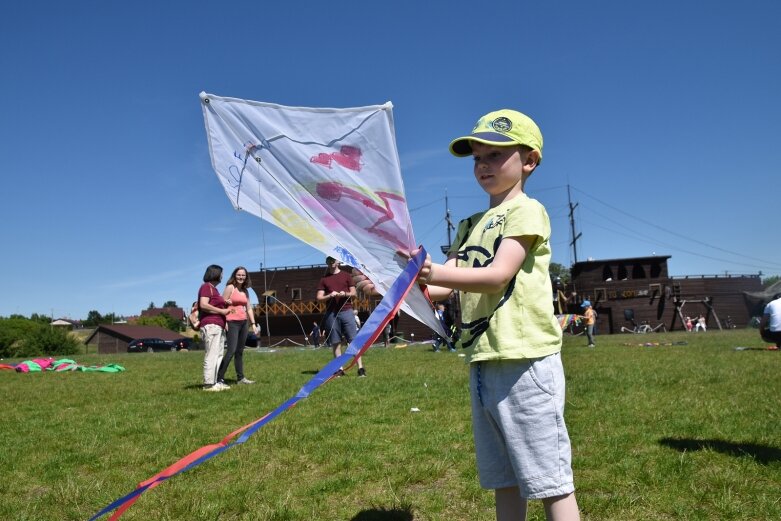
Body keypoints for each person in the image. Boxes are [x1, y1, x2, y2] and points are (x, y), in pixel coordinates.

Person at [355, 109, 579, 520]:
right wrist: (394, 285)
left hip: (526, 359)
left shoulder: (526, 211)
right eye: (477, 156)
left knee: (549, 478)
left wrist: (432, 270)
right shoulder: (469, 224)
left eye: (495, 155)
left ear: (529, 161)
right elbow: (442, 287)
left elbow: (497, 275)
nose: (483, 165)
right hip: (484, 359)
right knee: (503, 476)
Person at [317, 256, 366, 377]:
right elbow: (319, 298)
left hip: (346, 311)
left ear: (338, 261)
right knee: (335, 342)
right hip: (331, 314)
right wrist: (329, 296)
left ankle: (360, 368)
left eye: (333, 260)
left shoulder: (346, 276)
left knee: (353, 341)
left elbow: (354, 294)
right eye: (328, 261)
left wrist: (345, 294)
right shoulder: (324, 279)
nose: (331, 263)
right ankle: (339, 369)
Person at [216, 267, 258, 386]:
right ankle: (219, 378)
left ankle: (241, 378)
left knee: (240, 351)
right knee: (231, 350)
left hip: (244, 322)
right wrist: (224, 322)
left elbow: (249, 308)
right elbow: (221, 305)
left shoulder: (245, 291)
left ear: (246, 277)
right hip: (231, 322)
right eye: (239, 275)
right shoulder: (230, 288)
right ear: (235, 275)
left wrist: (253, 324)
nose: (241, 277)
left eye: (243, 275)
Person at [199, 264, 231, 392]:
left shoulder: (214, 289)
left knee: (218, 354)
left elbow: (212, 303)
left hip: (218, 326)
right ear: (215, 274)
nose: (223, 276)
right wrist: (221, 311)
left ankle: (215, 381)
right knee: (211, 354)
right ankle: (208, 384)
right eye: (221, 274)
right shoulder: (206, 287)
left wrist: (224, 303)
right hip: (211, 325)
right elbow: (203, 305)